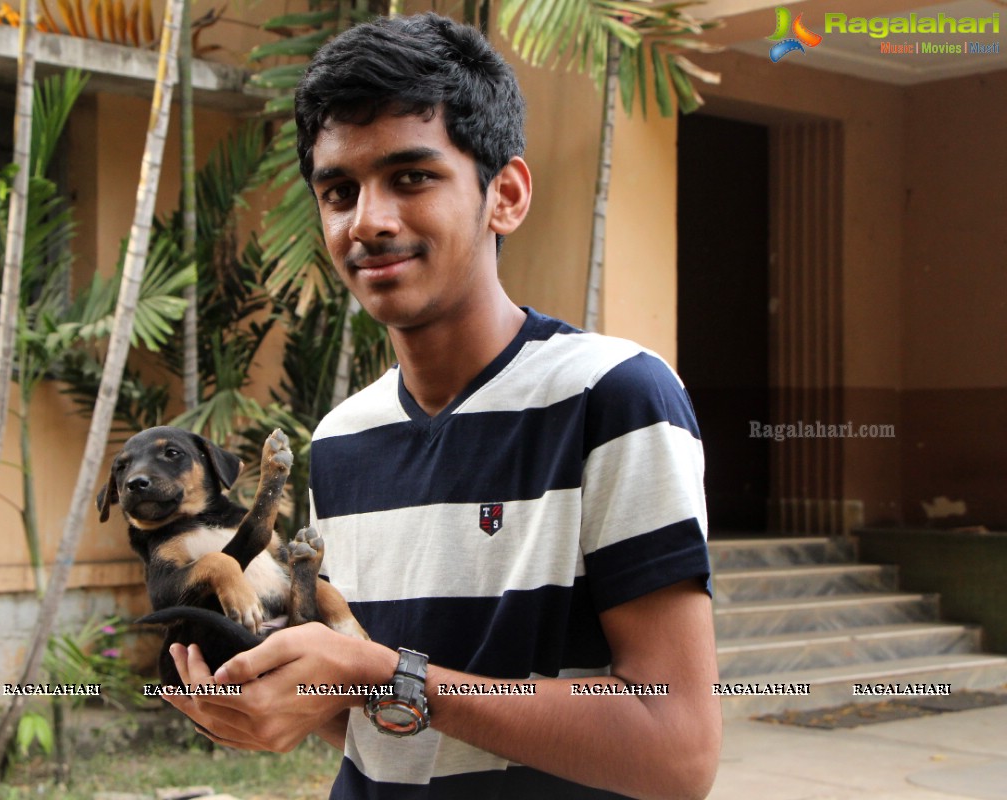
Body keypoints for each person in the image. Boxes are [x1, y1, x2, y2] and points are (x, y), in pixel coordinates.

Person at [163, 12, 721, 800]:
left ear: (507, 196)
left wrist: (389, 675)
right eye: (339, 191)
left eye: (412, 177)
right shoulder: (344, 440)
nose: (369, 220)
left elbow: (677, 751)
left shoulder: (616, 396)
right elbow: (386, 718)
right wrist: (272, 698)